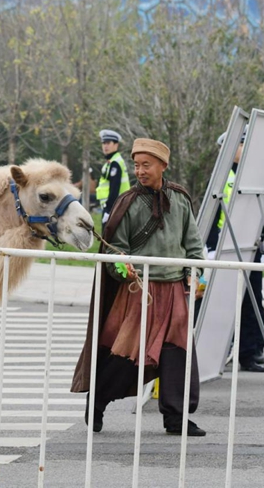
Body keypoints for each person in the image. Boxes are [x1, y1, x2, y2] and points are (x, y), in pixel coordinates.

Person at [71, 138, 206, 436]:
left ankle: (176, 418)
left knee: (177, 353)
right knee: (126, 354)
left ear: (163, 166)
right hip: (138, 291)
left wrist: (198, 275)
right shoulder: (128, 202)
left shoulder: (180, 199)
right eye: (136, 165)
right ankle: (98, 400)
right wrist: (122, 267)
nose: (140, 171)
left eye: (146, 165)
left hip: (174, 290)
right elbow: (114, 251)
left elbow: (193, 244)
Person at [207, 128, 264, 373]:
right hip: (227, 248)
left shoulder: (256, 175)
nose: (243, 150)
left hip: (252, 247)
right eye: (240, 145)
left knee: (253, 301)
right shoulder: (222, 176)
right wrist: (211, 247)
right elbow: (213, 214)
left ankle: (251, 350)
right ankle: (226, 347)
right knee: (225, 302)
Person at [95, 130, 131, 226]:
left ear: (116, 145)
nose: (105, 146)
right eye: (103, 143)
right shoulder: (111, 161)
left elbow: (114, 188)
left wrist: (108, 210)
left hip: (115, 208)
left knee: (110, 239)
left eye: (108, 143)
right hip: (115, 206)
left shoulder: (115, 163)